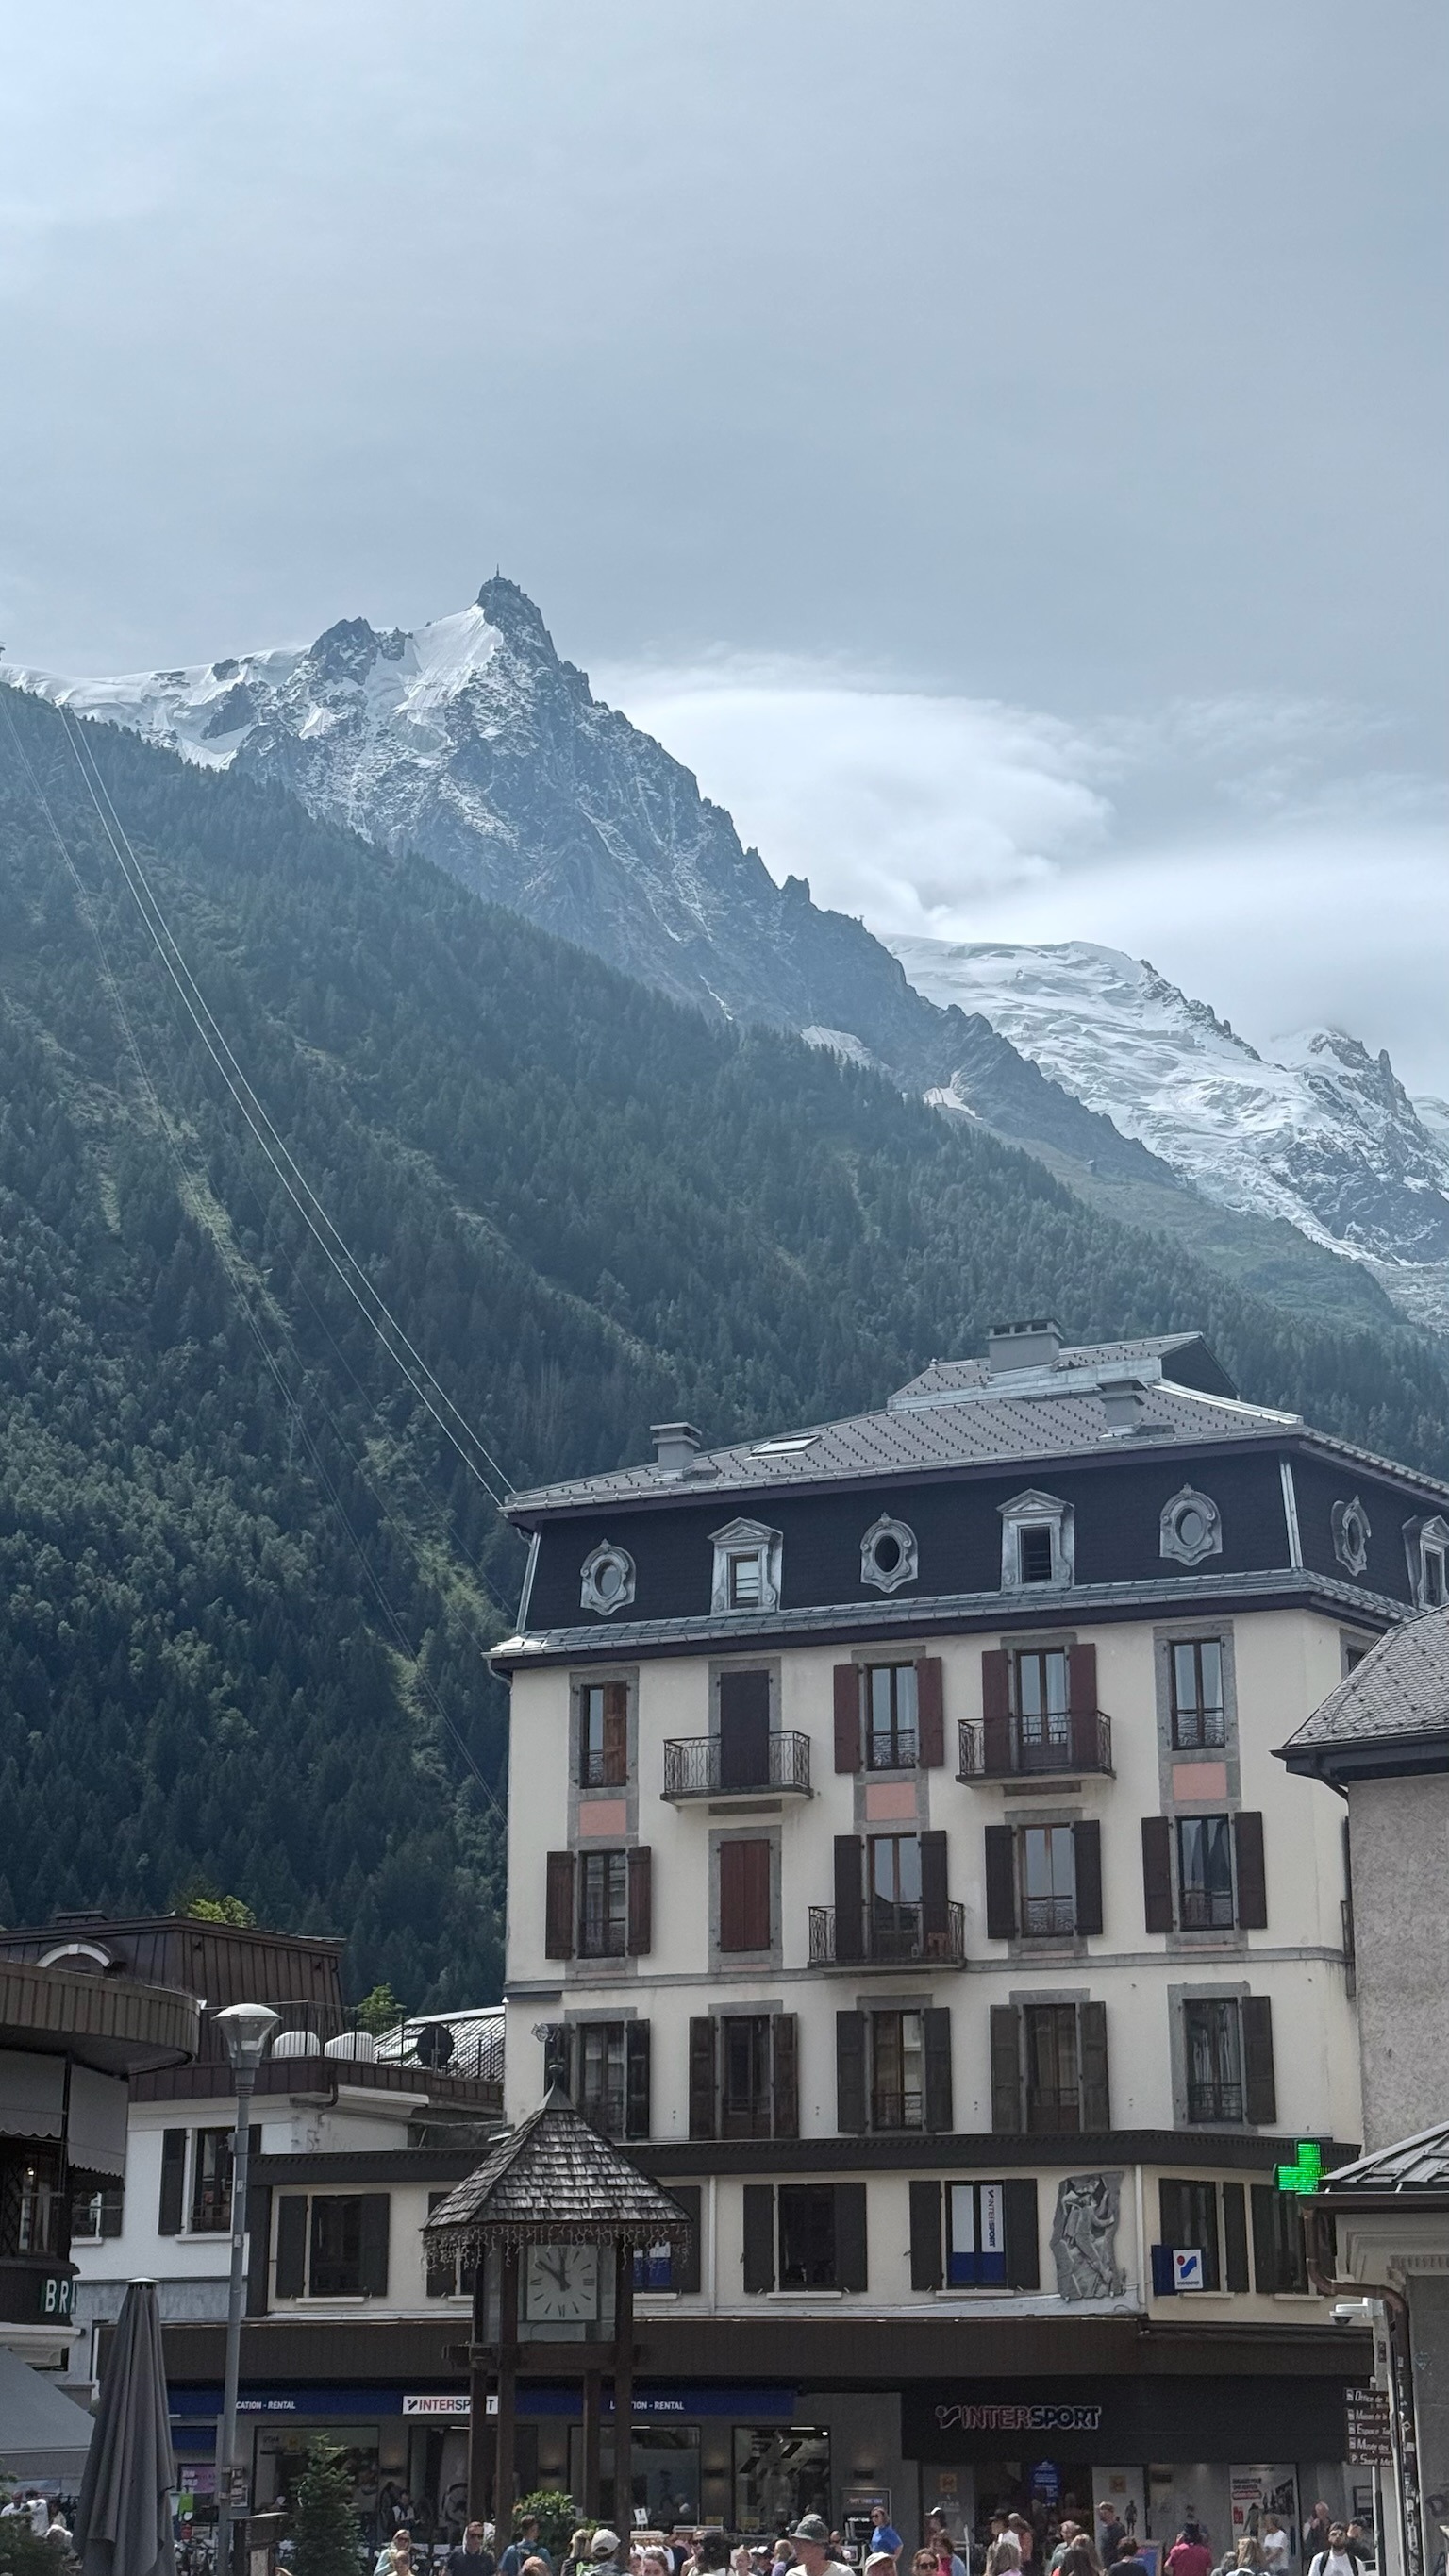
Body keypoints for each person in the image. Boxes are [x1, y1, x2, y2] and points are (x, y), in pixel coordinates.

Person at [786, 2517, 852, 2576]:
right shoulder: (793, 2574)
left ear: (821, 2546)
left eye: (804, 2543)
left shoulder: (843, 2573)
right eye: (796, 2542)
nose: (797, 2547)